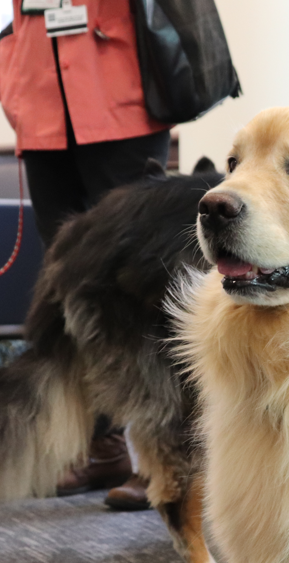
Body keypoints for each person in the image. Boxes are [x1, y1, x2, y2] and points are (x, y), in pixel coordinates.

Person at [0, 0, 171, 509]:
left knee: (144, 286)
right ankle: (103, 445)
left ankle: (165, 451)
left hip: (117, 90)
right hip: (40, 97)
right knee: (70, 286)